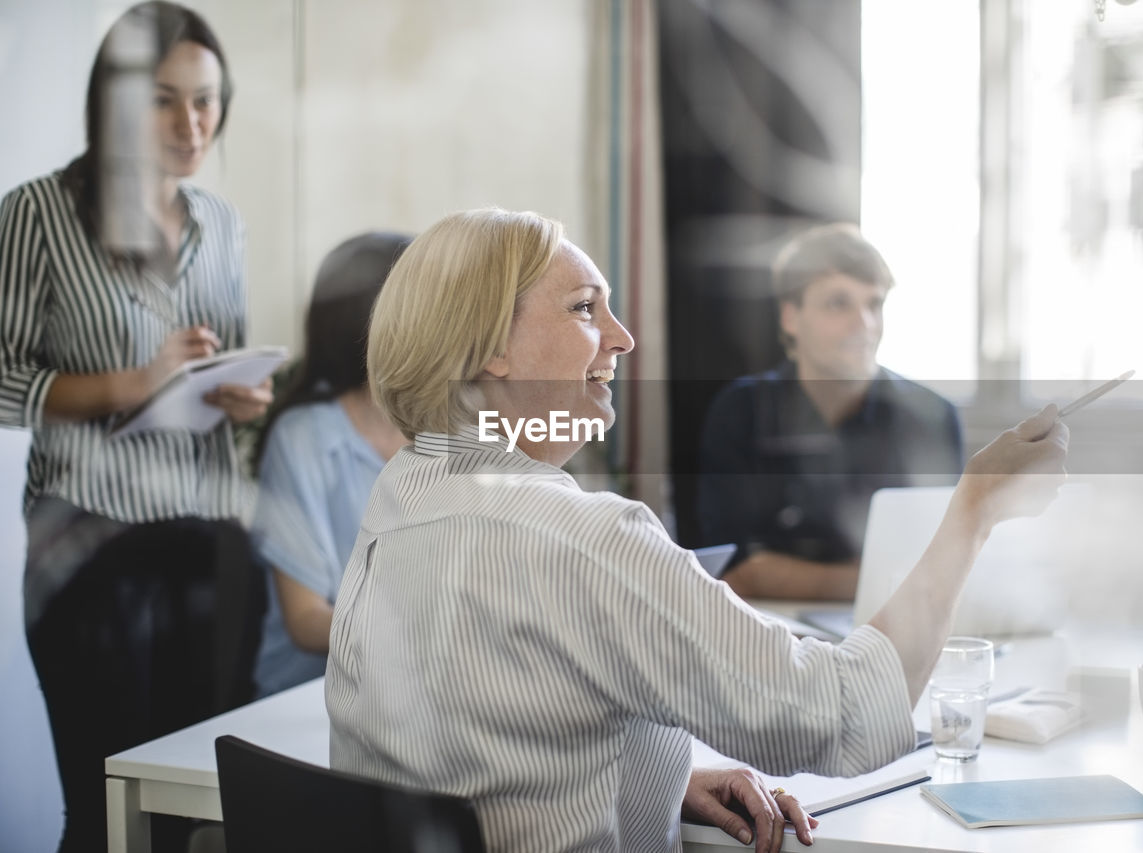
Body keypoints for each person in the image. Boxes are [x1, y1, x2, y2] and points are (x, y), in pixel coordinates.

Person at [325, 208, 1069, 852]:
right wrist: (974, 510)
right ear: (490, 342)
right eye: (585, 308)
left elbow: (476, 731)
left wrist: (662, 775)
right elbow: (844, 715)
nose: (622, 339)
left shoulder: (402, 493)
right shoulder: (588, 537)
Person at [0, 4, 270, 850]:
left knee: (200, 807)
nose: (193, 124)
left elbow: (216, 365)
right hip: (85, 548)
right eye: (164, 100)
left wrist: (241, 395)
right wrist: (134, 381)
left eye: (207, 100)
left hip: (207, 540)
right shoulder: (38, 214)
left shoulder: (221, 224)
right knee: (108, 804)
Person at [698, 223, 964, 601]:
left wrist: (781, 574)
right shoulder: (741, 412)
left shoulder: (932, 417)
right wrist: (878, 580)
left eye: (874, 304)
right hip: (767, 635)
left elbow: (943, 567)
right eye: (839, 303)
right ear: (791, 317)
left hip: (891, 630)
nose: (865, 325)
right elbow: (733, 571)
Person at [250, 232, 410, 697]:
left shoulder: (449, 430)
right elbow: (305, 620)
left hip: (411, 697)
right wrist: (420, 645)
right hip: (308, 699)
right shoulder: (305, 437)